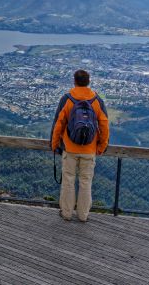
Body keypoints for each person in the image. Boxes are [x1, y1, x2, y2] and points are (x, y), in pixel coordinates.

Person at [50, 69, 110, 222]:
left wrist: (54, 144)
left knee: (68, 181)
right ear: (88, 82)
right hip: (89, 150)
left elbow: (58, 124)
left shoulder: (67, 99)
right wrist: (102, 147)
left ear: (74, 81)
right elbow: (104, 125)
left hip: (69, 149)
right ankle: (83, 215)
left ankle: (67, 213)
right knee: (85, 182)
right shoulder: (96, 100)